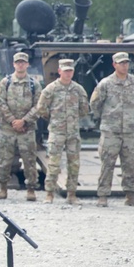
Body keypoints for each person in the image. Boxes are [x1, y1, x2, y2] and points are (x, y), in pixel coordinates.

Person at [90, 52, 134, 207]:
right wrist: (105, 118)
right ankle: (103, 196)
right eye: (121, 63)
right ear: (114, 64)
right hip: (111, 131)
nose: (124, 65)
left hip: (130, 131)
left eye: (126, 63)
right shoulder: (106, 83)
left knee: (129, 164)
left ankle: (130, 196)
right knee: (107, 164)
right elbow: (95, 103)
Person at [30, 59, 90, 204]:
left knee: (74, 164)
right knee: (53, 164)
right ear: (59, 71)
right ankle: (49, 193)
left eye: (70, 71)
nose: (68, 73)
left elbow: (84, 109)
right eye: (65, 71)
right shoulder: (51, 89)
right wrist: (53, 118)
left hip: (73, 133)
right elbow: (41, 108)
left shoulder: (78, 89)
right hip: (56, 131)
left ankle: (71, 194)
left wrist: (72, 119)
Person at [0, 52, 40, 201]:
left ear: (27, 64)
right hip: (8, 129)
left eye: (23, 62)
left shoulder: (34, 84)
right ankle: (2, 188)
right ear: (14, 64)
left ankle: (31, 189)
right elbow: (0, 103)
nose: (20, 65)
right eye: (18, 62)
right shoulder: (5, 83)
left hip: (27, 129)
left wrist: (24, 121)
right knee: (5, 160)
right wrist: (13, 120)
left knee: (29, 160)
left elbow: (39, 106)